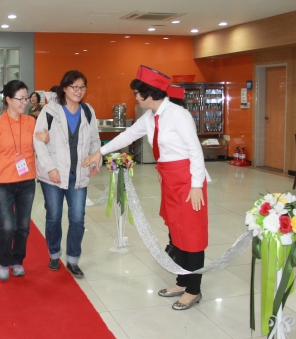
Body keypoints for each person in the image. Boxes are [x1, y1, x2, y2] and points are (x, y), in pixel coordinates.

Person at [83, 65, 209, 310]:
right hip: (169, 180)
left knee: (191, 235)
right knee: (176, 232)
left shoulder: (178, 115)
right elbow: (128, 135)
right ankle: (182, 281)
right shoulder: (151, 117)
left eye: (137, 93)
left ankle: (194, 290)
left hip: (188, 181)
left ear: (149, 94)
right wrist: (101, 152)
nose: (135, 98)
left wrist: (196, 186)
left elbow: (195, 152)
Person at [33, 70, 101, 278]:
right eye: (74, 87)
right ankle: (54, 254)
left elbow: (95, 141)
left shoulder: (88, 111)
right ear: (64, 88)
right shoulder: (50, 111)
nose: (79, 91)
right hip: (53, 176)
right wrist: (50, 168)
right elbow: (38, 140)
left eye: (82, 87)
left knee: (77, 218)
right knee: (54, 217)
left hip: (78, 175)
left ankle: (73, 259)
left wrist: (96, 159)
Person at [0, 80, 37, 281]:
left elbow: (39, 146)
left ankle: (17, 261)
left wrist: (45, 140)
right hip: (2, 184)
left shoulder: (31, 122)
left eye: (26, 98)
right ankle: (4, 262)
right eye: (20, 99)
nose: (24, 102)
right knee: (7, 226)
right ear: (9, 99)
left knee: (23, 226)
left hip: (27, 182)